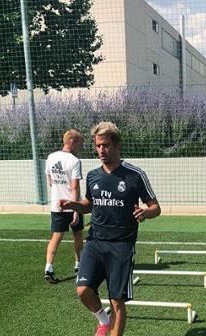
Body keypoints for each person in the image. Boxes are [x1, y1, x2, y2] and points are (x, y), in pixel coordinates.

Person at [60, 121, 161, 336]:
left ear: (116, 145)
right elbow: (89, 205)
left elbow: (156, 207)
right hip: (95, 242)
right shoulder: (94, 176)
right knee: (83, 290)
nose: (100, 150)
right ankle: (103, 320)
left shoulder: (135, 175)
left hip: (122, 246)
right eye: (97, 146)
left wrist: (145, 212)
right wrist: (73, 205)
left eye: (105, 145)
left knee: (116, 301)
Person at [44, 129, 85, 284]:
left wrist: (58, 187)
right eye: (80, 143)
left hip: (57, 205)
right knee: (78, 234)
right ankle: (79, 265)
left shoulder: (51, 157)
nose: (80, 147)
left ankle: (48, 267)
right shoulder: (74, 161)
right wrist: (75, 209)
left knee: (56, 236)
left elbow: (49, 179)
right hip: (72, 204)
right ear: (72, 141)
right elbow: (75, 187)